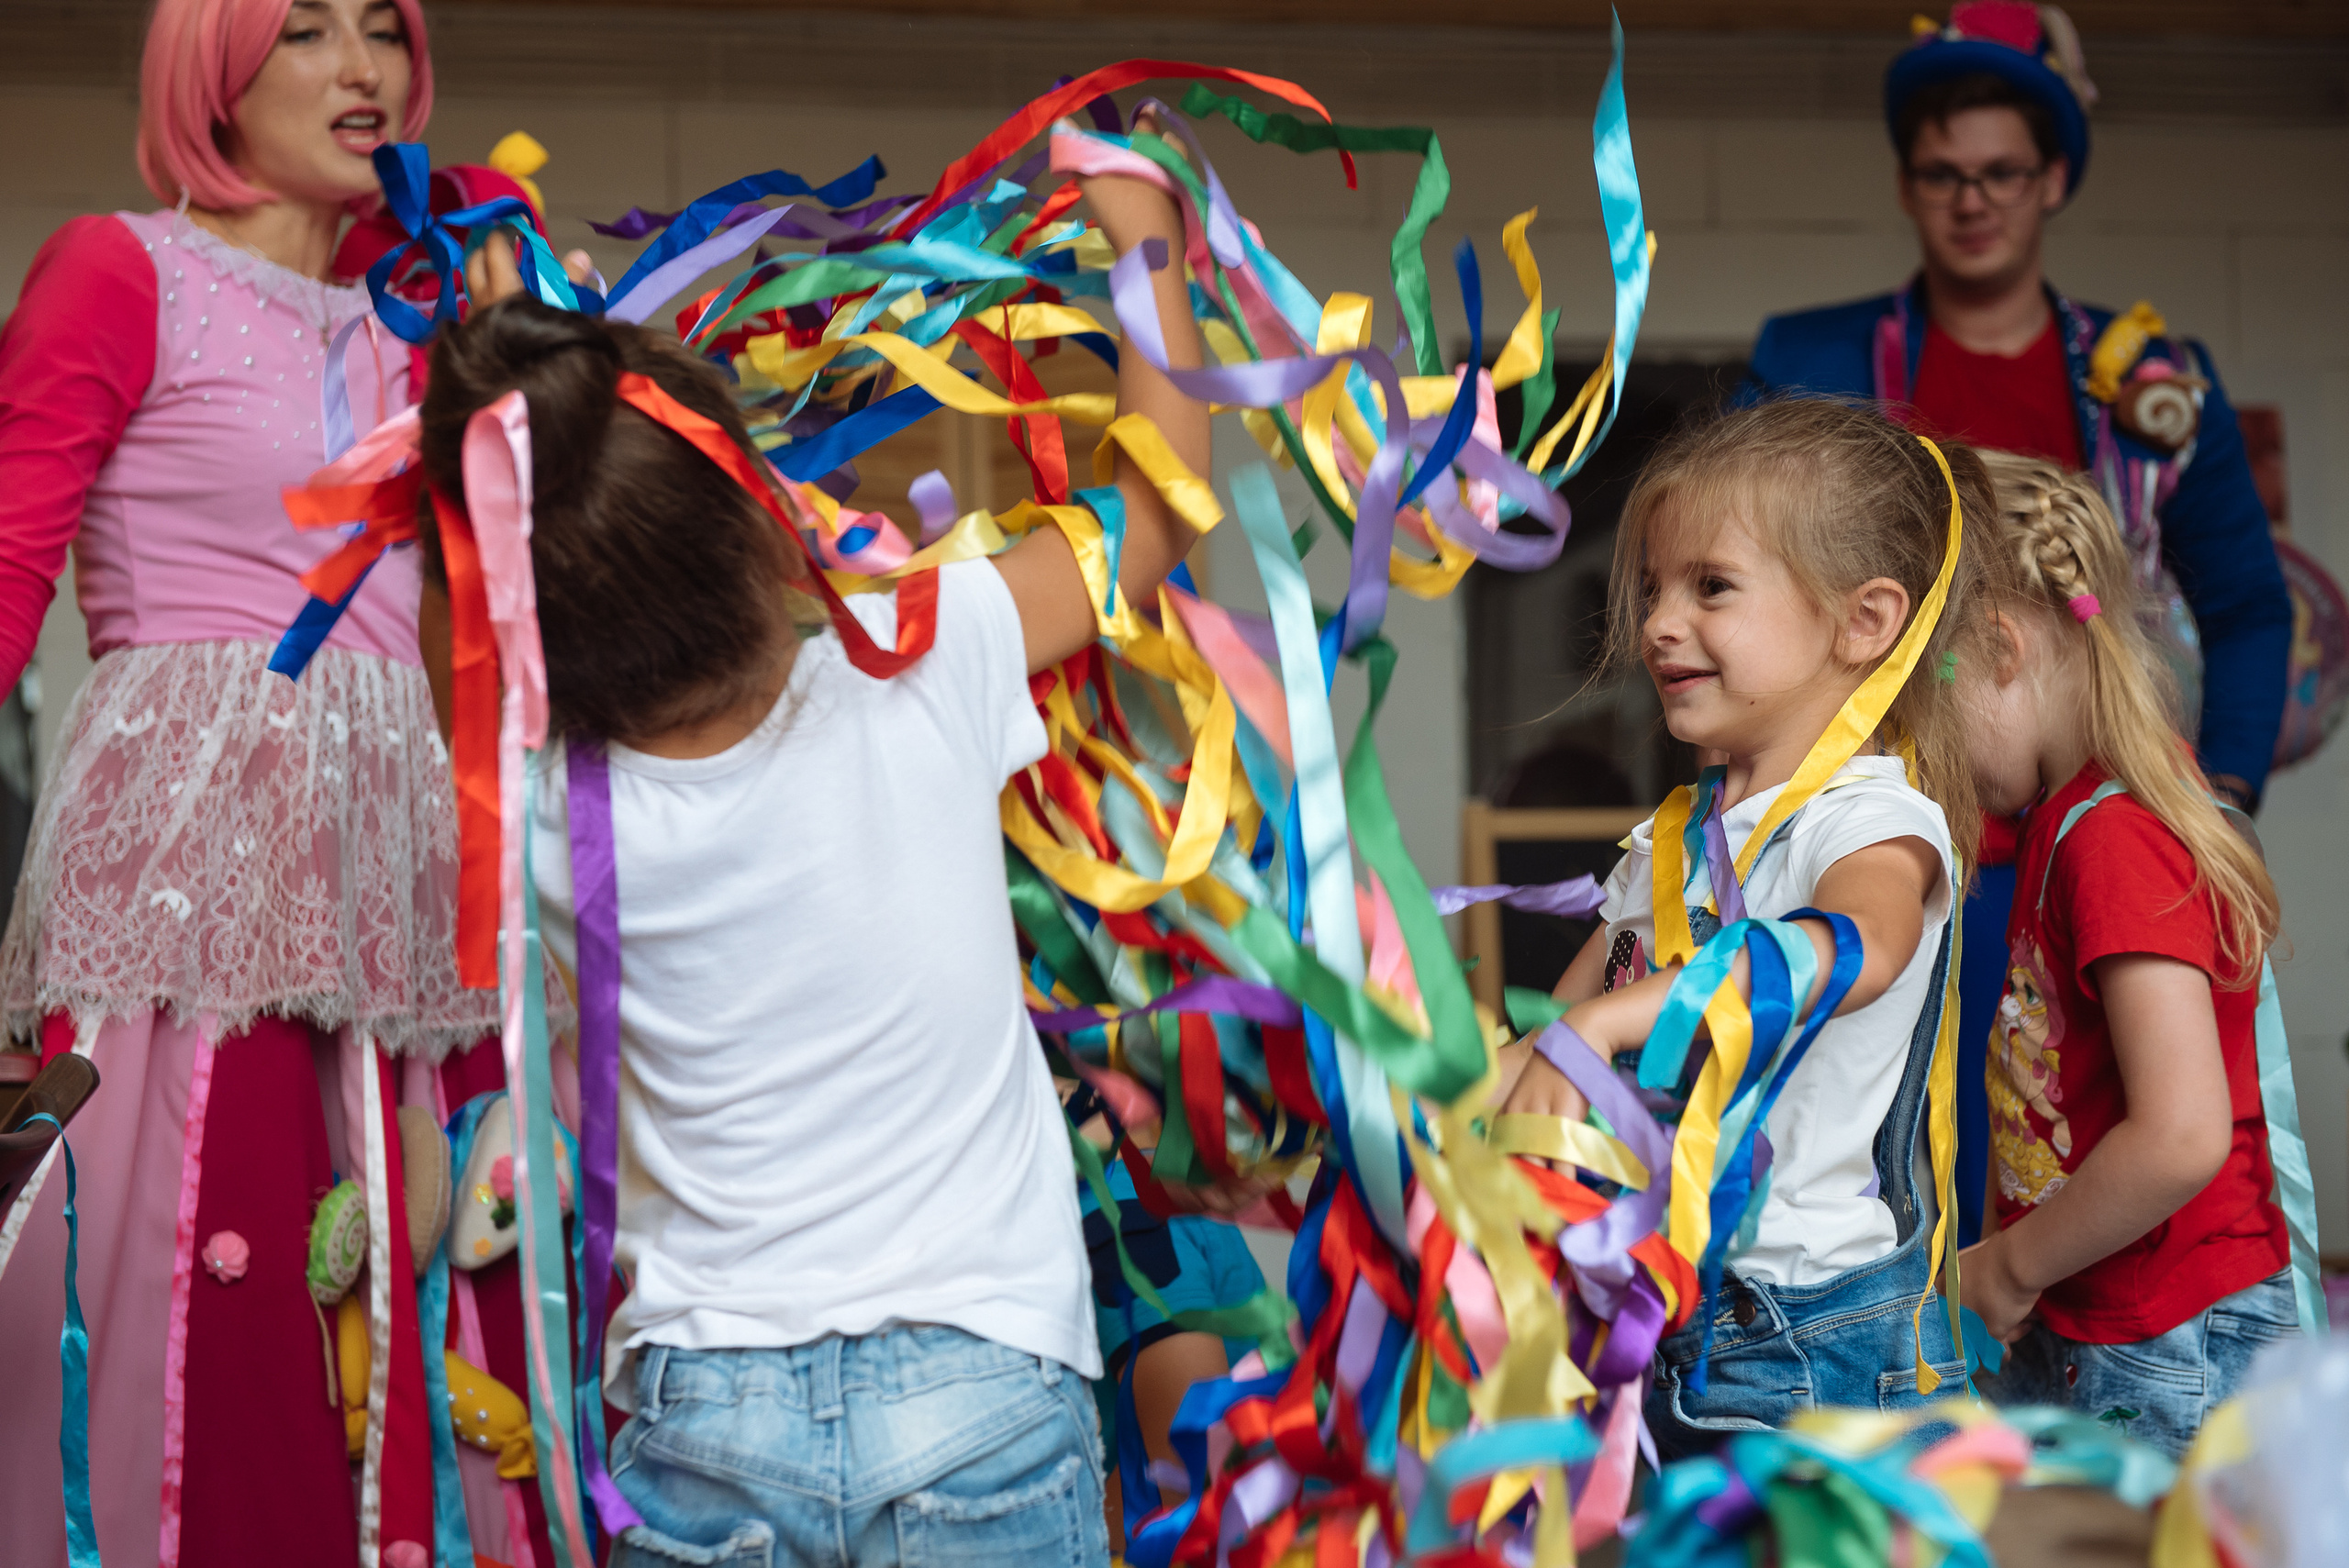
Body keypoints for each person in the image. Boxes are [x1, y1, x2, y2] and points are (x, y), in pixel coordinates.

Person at [407, 148, 1211, 1563]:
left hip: (704, 1412)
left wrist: (491, 412)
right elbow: (1151, 516)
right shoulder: (928, 659)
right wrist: (1142, 228)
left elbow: (456, 641)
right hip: (982, 1380)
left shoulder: (547, 805)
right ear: (761, 514)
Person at [1739, 2, 2293, 1251]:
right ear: (1906, 183)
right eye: (1942, 174)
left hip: (2081, 859)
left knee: (2087, 1186)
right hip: (1887, 850)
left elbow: (2252, 610)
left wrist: (2215, 802)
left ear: (2052, 180)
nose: (1972, 200)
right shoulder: (1818, 361)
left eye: (2000, 173)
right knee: (1872, 1195)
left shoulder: (2156, 386)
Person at [1499, 398, 2003, 1452]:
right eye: (1650, 589)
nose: (1656, 623)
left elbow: (1856, 947)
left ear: (1863, 621)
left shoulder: (1868, 818)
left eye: (1710, 587)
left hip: (1814, 1337)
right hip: (1664, 1315)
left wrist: (1614, 1020)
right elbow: (1551, 1045)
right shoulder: (1665, 843)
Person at [1957, 451, 2295, 1460]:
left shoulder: (2113, 835)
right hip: (2096, 1308)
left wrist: (2014, 1262)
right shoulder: (2059, 818)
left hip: (2165, 1334)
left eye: (1924, 708)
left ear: (2000, 645)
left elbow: (2183, 1131)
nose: (1927, 752)